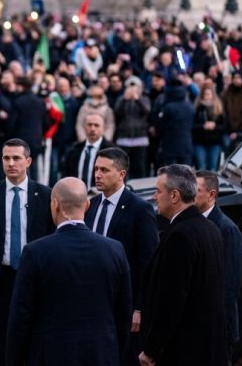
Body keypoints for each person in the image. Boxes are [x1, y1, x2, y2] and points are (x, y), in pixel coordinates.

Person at [7, 177, 132, 366]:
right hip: (101, 354)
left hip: (51, 355)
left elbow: (21, 315)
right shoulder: (115, 250)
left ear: (55, 204)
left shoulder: (36, 252)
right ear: (87, 205)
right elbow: (123, 312)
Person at [0, 138, 53, 366]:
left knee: (33, 338)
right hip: (0, 279)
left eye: (16, 158)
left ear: (28, 161)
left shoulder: (45, 194)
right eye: (6, 158)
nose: (11, 163)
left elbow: (53, 239)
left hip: (34, 278)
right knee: (1, 341)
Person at [139, 164, 227, 366]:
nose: (154, 196)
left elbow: (171, 300)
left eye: (158, 191)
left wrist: (151, 349)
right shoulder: (210, 228)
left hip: (184, 349)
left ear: (174, 196)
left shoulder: (180, 236)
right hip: (206, 346)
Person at [84, 147, 158, 365]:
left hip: (124, 304)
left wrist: (140, 307)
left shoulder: (140, 209)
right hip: (92, 300)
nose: (97, 175)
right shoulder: (91, 205)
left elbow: (147, 263)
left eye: (104, 170)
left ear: (121, 174)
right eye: (96, 169)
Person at [196, 170, 242, 352]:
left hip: (217, 324)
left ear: (211, 195)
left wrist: (216, 321)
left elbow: (231, 283)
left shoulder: (227, 229)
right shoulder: (194, 222)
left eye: (196, 190)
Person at [62, 112, 115, 188]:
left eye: (96, 125)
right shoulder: (73, 150)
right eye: (89, 125)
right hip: (76, 193)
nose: (92, 129)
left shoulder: (112, 151)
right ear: (84, 126)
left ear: (104, 128)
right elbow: (65, 178)